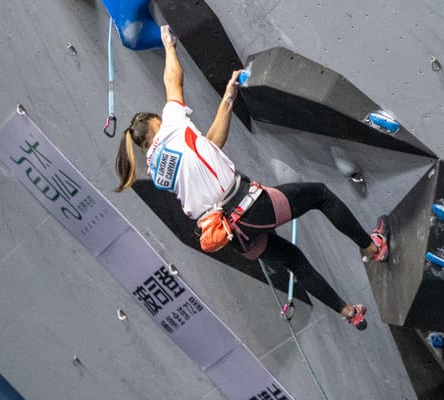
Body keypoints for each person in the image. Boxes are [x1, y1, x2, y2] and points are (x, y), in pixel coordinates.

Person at [115, 27, 389, 328]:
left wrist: (228, 99)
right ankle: (371, 247)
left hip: (233, 237)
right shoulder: (170, 126)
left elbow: (210, 147)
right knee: (320, 195)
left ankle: (349, 313)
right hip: (249, 207)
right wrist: (169, 47)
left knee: (293, 260)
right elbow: (172, 80)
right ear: (156, 124)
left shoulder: (157, 172)